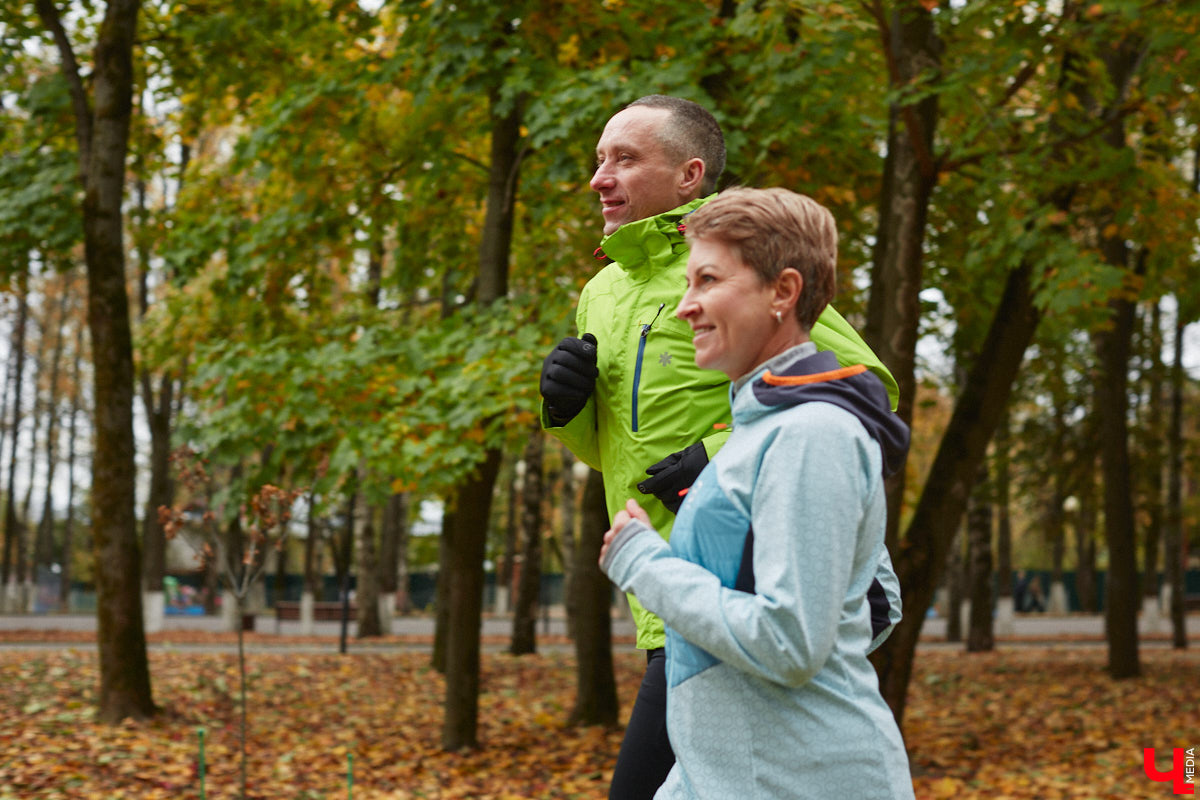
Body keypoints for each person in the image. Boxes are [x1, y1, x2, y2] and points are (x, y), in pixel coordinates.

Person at [539, 95, 900, 799]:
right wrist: (566, 411)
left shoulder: (746, 270)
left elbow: (864, 386)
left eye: (624, 158)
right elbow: (621, 450)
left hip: (740, 588)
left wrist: (722, 456)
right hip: (672, 596)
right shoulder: (603, 292)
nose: (599, 178)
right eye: (597, 161)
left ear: (688, 174)